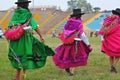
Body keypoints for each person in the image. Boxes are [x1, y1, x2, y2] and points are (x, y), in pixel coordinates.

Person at [7, 0, 55, 80]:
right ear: (26, 4)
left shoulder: (15, 14)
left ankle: (16, 77)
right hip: (25, 40)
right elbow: (35, 26)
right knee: (25, 63)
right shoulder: (28, 14)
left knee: (18, 64)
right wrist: (41, 36)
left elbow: (10, 27)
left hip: (15, 41)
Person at [52, 9, 92, 76]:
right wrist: (87, 43)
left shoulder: (68, 23)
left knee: (67, 55)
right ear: (79, 16)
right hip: (76, 42)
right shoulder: (79, 23)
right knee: (75, 56)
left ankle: (67, 67)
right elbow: (82, 34)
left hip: (67, 42)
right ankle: (72, 72)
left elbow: (64, 32)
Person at [98, 8, 120, 73]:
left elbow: (103, 28)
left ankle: (111, 67)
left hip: (108, 38)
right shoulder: (118, 20)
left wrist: (103, 38)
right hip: (117, 37)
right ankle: (113, 66)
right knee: (118, 54)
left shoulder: (108, 19)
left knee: (111, 54)